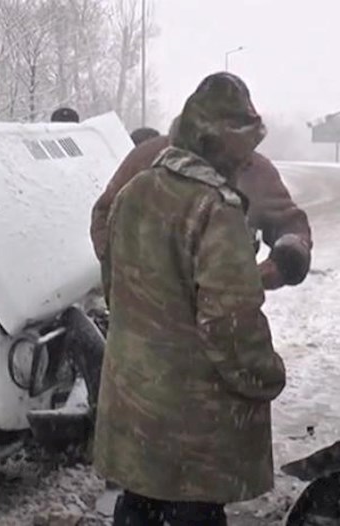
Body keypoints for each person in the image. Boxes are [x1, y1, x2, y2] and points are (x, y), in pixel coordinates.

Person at [93, 72, 287, 525]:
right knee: (189, 513)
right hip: (192, 439)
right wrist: (267, 376)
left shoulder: (134, 192)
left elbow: (116, 290)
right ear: (224, 145)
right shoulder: (216, 211)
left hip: (135, 412)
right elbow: (231, 328)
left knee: (138, 507)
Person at [91, 119, 312, 292]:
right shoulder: (148, 157)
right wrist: (122, 269)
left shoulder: (253, 170)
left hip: (224, 309)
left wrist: (282, 263)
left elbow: (289, 224)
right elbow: (104, 213)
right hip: (148, 316)